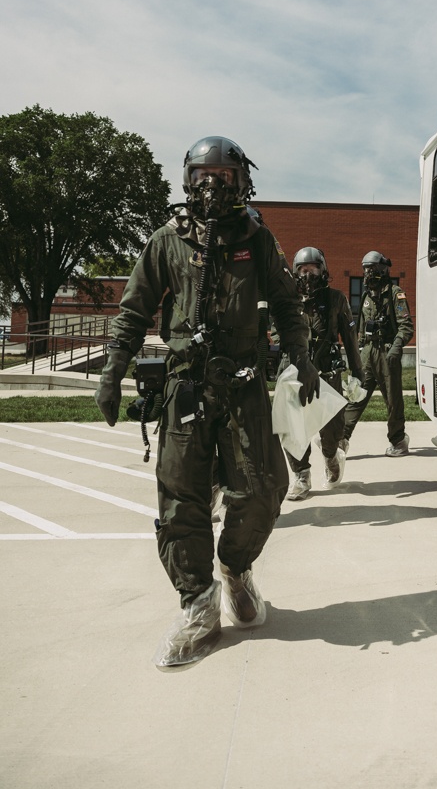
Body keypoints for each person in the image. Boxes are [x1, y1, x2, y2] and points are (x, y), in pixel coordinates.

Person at [95, 136, 318, 668]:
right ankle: (197, 606)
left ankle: (235, 569)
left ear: (243, 183)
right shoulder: (167, 242)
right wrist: (112, 372)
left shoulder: (258, 241)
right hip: (185, 389)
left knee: (263, 490)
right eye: (203, 174)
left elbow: (288, 307)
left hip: (244, 388)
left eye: (225, 175)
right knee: (181, 501)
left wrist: (303, 357)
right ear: (188, 181)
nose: (213, 185)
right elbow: (132, 311)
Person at [279, 247, 363, 501]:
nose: (308, 275)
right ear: (295, 272)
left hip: (328, 374)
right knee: (292, 428)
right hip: (294, 373)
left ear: (323, 270)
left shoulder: (336, 299)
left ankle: (331, 456)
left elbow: (350, 337)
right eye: (303, 270)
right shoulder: (286, 299)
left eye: (313, 269)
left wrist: (357, 372)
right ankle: (301, 476)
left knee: (332, 431)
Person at [342, 251, 414, 456]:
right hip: (368, 353)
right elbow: (361, 327)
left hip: (386, 352)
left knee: (393, 400)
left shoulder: (395, 293)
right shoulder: (366, 296)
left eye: (372, 269)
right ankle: (342, 438)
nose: (367, 274)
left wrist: (396, 348)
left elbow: (406, 326)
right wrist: (358, 352)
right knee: (356, 394)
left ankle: (398, 440)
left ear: (382, 270)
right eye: (365, 270)